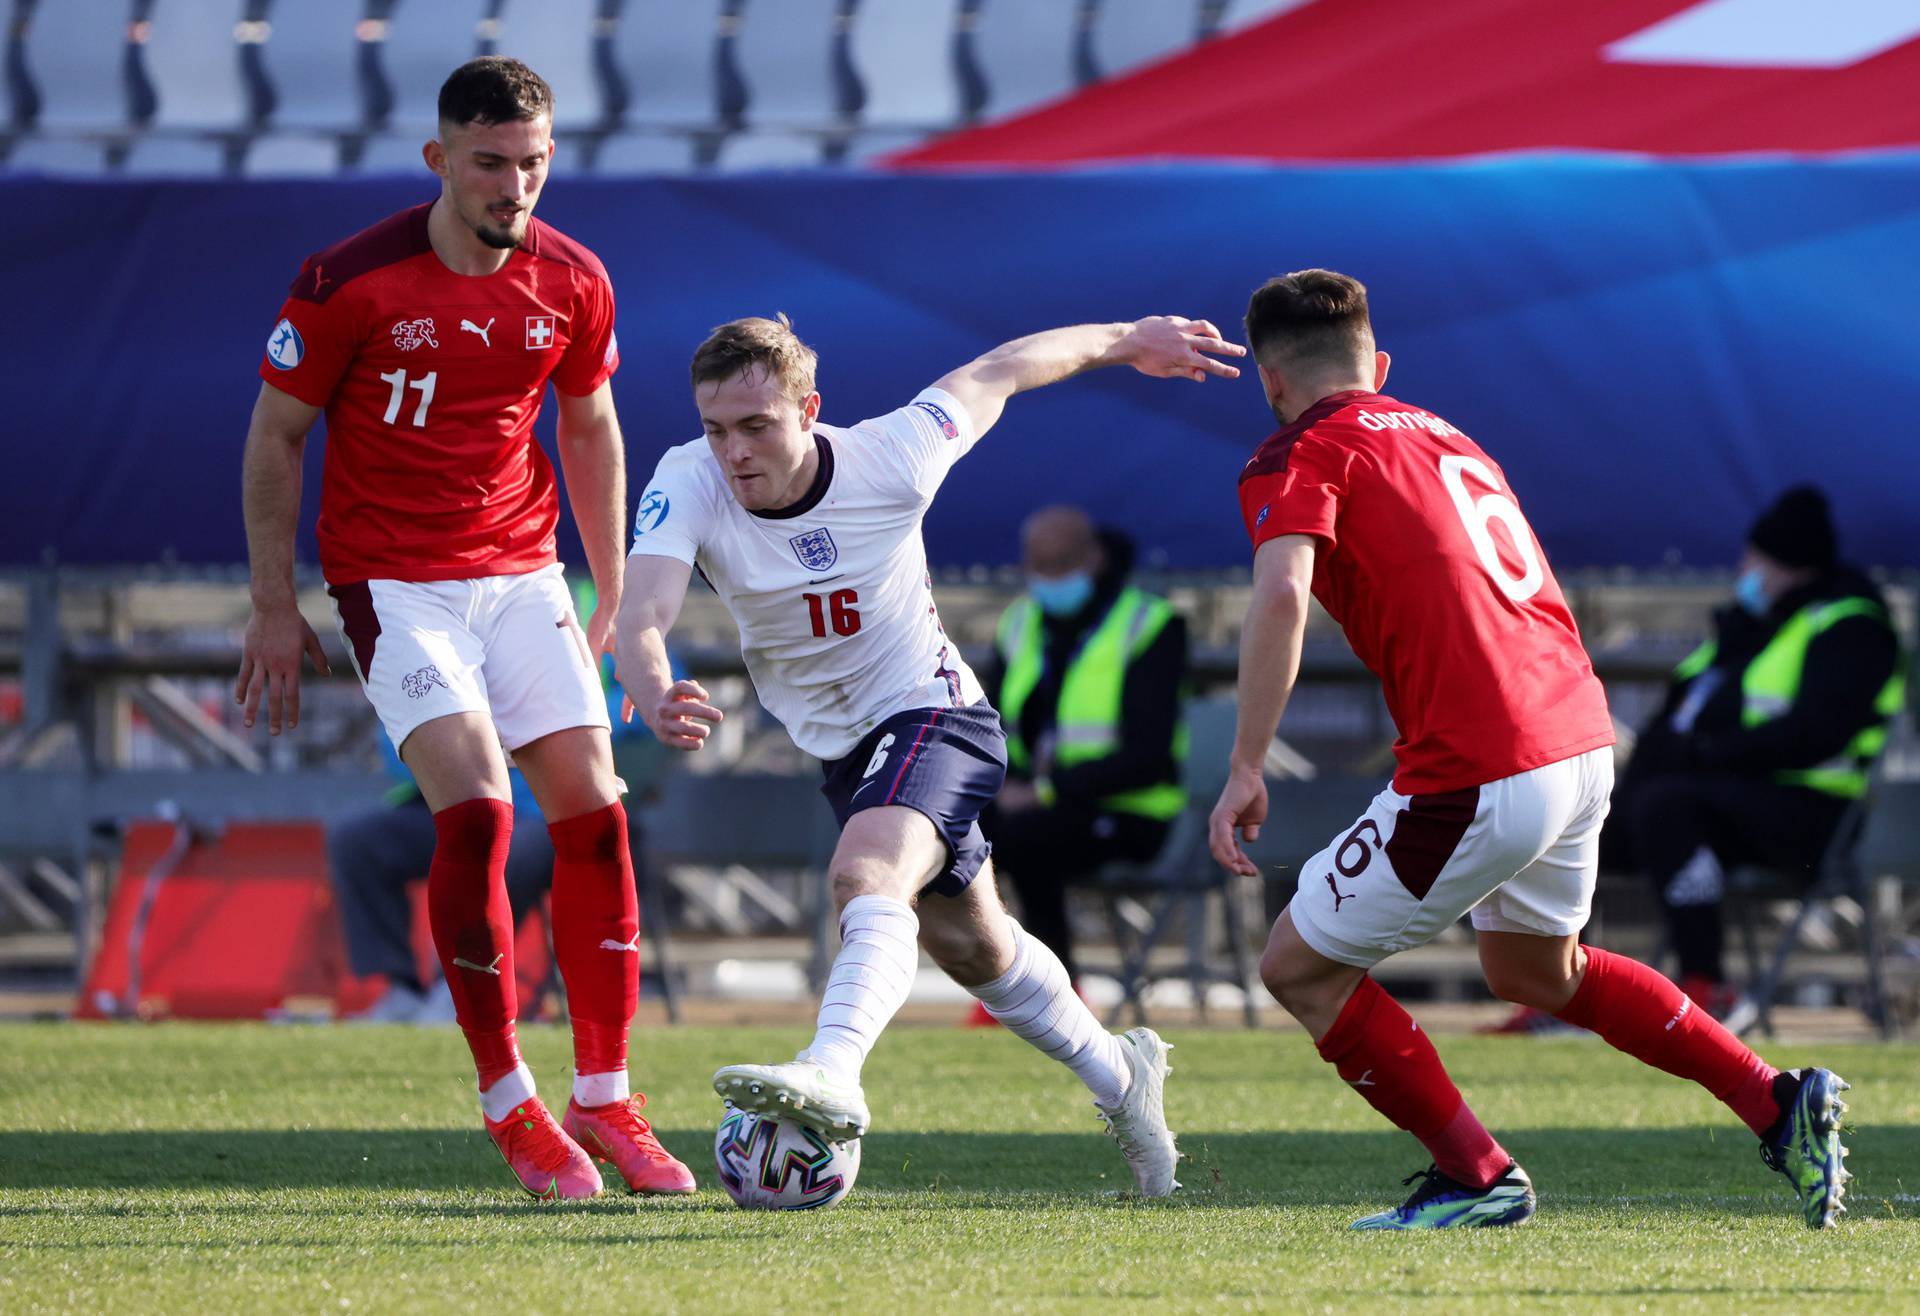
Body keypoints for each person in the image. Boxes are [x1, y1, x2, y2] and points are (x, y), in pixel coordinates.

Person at [1207, 269, 1851, 1230]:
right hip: (1580, 741)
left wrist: (1247, 763)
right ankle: (1777, 1103)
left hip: (1482, 763)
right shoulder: (1450, 436)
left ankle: (1477, 1175)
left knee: (1295, 967)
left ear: (1270, 381)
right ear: (1378, 366)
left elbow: (1282, 595)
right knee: (1537, 973)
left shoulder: (1297, 450)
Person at [615, 313, 1243, 1196]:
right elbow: (640, 613)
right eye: (717, 428)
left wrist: (1127, 338)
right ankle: (1124, 1079)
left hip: (935, 714)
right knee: (977, 947)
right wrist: (651, 688)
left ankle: (831, 1069)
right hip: (846, 751)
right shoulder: (689, 477)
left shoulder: (893, 455)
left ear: (809, 410)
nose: (734, 450)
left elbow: (1000, 368)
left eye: (757, 425)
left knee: (863, 876)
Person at [235, 57, 692, 1200]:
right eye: (491, 162)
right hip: (394, 580)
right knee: (481, 807)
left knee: (594, 812)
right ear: (439, 160)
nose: (516, 184)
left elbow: (589, 429)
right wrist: (271, 604)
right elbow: (275, 437)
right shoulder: (349, 282)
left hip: (521, 566)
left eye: (534, 161)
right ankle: (511, 1102)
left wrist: (619, 600)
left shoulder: (574, 280)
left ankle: (606, 1095)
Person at [1610, 486, 1905, 1016]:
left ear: (1787, 565)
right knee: (1578, 830)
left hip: (1814, 816)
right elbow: (1681, 716)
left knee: (1669, 809)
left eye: (1755, 559)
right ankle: (1561, 990)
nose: (1744, 570)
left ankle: (1708, 987)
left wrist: (1709, 753)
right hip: (1736, 799)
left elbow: (1816, 733)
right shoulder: (1750, 629)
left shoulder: (1851, 626)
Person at [975, 506, 1188, 1001]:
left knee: (1027, 841)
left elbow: (1148, 755)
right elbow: (992, 725)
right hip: (1039, 800)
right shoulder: (1020, 622)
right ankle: (1003, 983)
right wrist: (1003, 786)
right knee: (958, 835)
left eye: (1062, 564)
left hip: (1131, 812)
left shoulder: (1152, 624)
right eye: (1039, 566)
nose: (1050, 579)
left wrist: (1045, 791)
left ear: (1094, 557)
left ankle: (1050, 994)